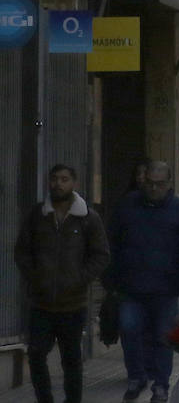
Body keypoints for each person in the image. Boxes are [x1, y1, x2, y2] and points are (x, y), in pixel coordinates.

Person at [106, 161, 179, 403]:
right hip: (131, 286)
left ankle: (160, 385)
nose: (154, 188)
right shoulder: (127, 207)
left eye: (159, 184)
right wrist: (111, 280)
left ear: (169, 184)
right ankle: (136, 377)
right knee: (129, 330)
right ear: (143, 181)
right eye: (149, 183)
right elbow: (112, 244)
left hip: (166, 289)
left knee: (163, 337)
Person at [14, 164, 110, 403]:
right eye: (54, 179)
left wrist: (80, 278)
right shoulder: (38, 215)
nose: (58, 184)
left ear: (74, 183)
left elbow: (101, 255)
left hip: (73, 303)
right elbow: (22, 252)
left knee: (71, 359)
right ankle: (44, 398)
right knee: (36, 354)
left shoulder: (87, 217)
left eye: (64, 179)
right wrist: (35, 277)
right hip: (41, 302)